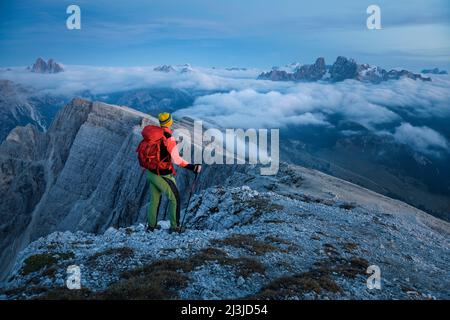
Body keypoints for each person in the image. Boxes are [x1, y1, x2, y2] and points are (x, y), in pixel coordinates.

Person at [141, 112, 201, 233]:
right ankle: (175, 227)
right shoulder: (168, 138)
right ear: (170, 122)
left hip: (151, 173)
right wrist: (193, 167)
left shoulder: (155, 134)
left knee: (155, 200)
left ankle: (151, 226)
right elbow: (176, 160)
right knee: (175, 198)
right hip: (162, 174)